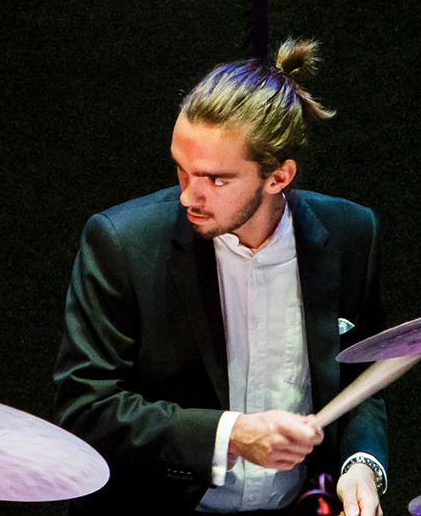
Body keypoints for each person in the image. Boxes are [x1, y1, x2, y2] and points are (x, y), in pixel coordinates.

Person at [54, 39, 387, 515]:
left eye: (215, 179)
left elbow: (362, 380)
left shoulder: (351, 234)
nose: (190, 195)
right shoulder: (122, 242)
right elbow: (85, 408)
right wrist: (230, 434)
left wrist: (361, 464)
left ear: (278, 177)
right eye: (182, 170)